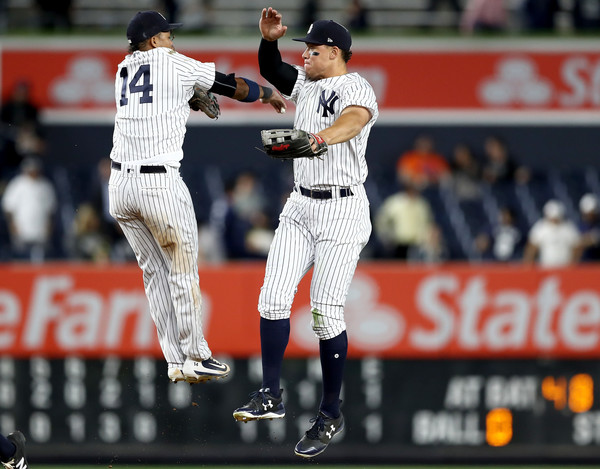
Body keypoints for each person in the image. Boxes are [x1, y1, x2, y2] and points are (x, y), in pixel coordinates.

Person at [108, 11, 286, 384]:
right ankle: (196, 355)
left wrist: (187, 98)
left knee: (154, 273)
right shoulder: (175, 63)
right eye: (167, 36)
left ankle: (174, 361)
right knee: (182, 268)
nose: (172, 41)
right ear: (154, 41)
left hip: (120, 186)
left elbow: (155, 99)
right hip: (158, 185)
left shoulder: (123, 68)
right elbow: (233, 86)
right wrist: (268, 93)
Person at [232, 8, 378, 459]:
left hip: (342, 209)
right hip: (300, 205)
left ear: (334, 52)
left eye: (312, 50)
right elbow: (271, 69)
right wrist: (268, 40)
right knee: (272, 298)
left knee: (325, 314)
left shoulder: (356, 86)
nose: (305, 56)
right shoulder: (307, 84)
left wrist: (319, 139)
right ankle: (270, 394)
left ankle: (330, 413)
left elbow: (354, 119)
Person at [2, 157, 57, 262]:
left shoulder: (46, 186)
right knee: (21, 258)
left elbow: (51, 209)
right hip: (22, 228)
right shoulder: (17, 184)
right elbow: (8, 207)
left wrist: (49, 226)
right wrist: (12, 225)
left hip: (40, 229)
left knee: (40, 258)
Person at [374, 181, 435, 260]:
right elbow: (381, 220)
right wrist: (386, 237)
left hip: (417, 245)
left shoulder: (421, 204)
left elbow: (427, 223)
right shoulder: (395, 203)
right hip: (399, 245)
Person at [523, 199, 581, 268]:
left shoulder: (568, 227)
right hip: (546, 267)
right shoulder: (540, 227)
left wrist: (573, 264)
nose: (554, 220)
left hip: (565, 267)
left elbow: (576, 247)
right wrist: (528, 265)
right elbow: (532, 247)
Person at [577, 193, 600, 262]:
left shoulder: (597, 224)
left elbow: (594, 239)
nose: (589, 215)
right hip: (585, 261)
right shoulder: (580, 224)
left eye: (591, 213)